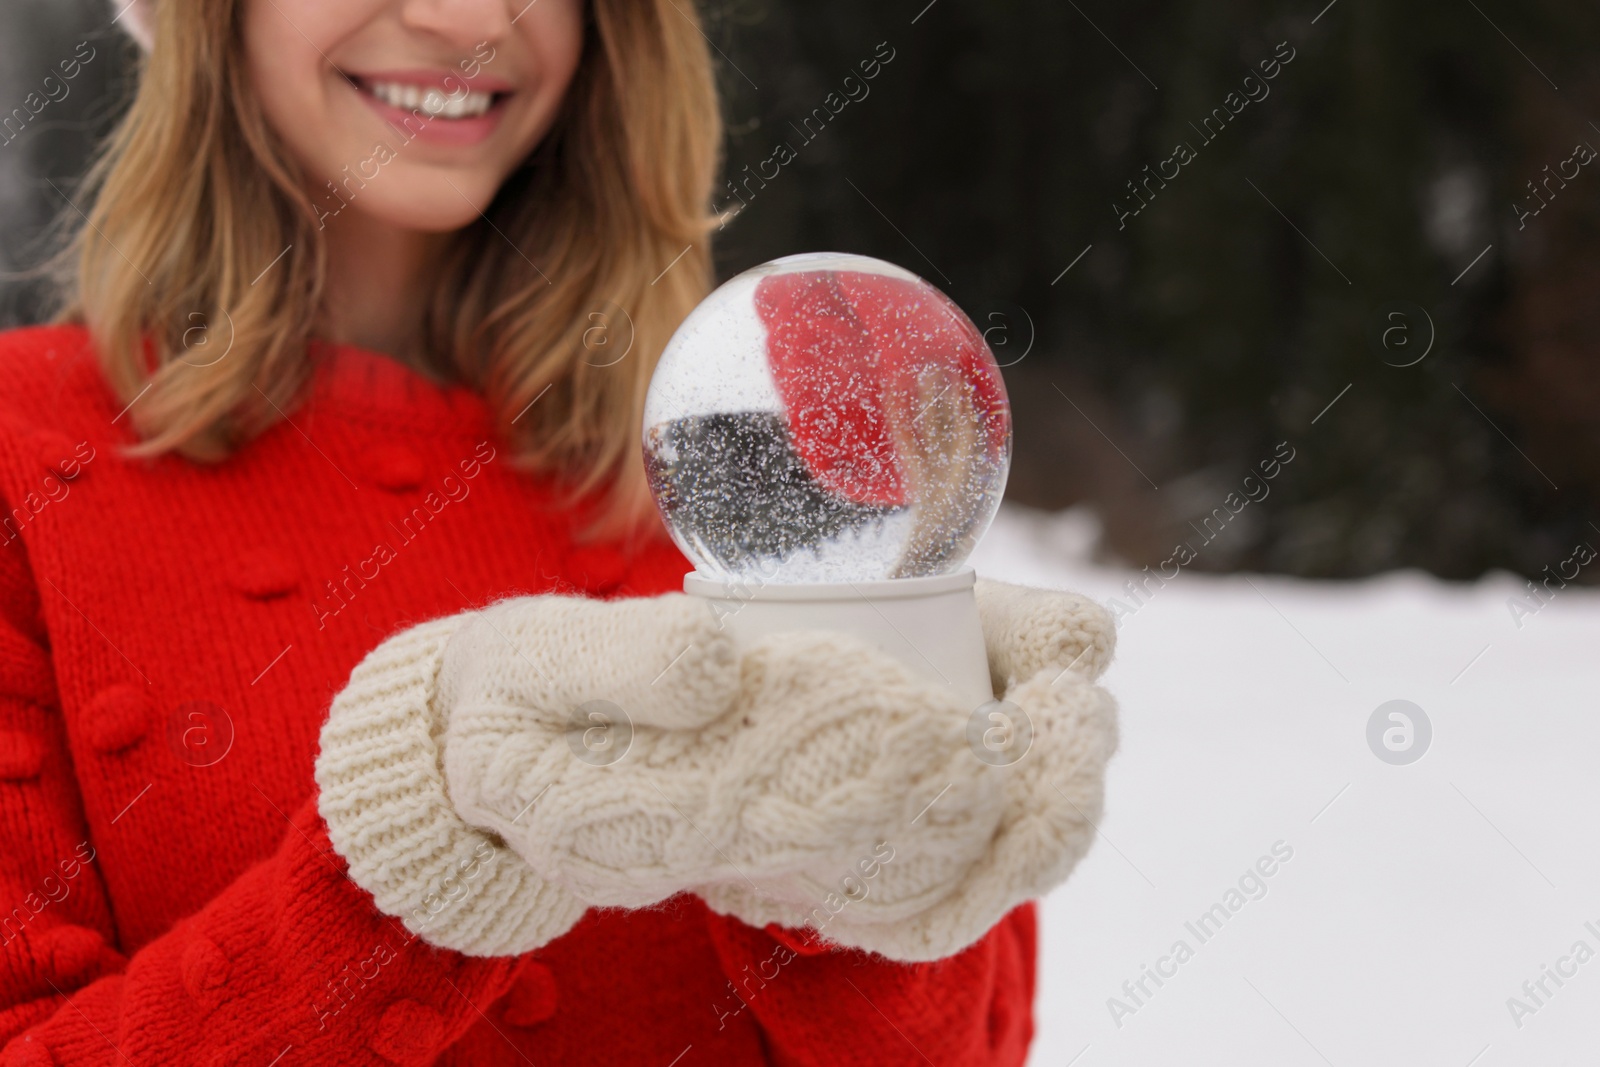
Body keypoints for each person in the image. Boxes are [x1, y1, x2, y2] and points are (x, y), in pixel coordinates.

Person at [0, 0, 1118, 1063]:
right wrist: (406, 859)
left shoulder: (738, 481)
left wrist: (846, 878)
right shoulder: (23, 463)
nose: (469, 23)